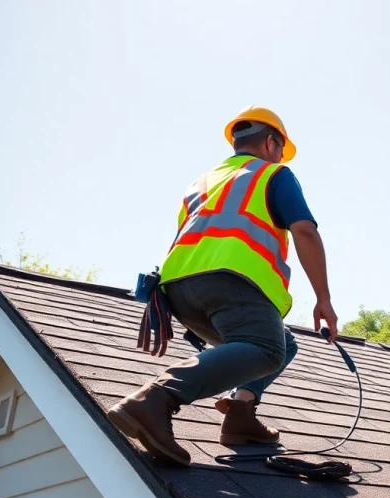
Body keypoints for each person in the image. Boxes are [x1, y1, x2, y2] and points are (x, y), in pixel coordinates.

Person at [107, 106, 338, 466]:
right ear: (270, 142)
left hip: (178, 291)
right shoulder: (274, 174)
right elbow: (305, 231)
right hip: (233, 282)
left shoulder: (202, 181)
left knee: (282, 342)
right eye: (279, 148)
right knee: (266, 348)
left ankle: (240, 417)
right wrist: (323, 298)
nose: (279, 156)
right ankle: (154, 399)